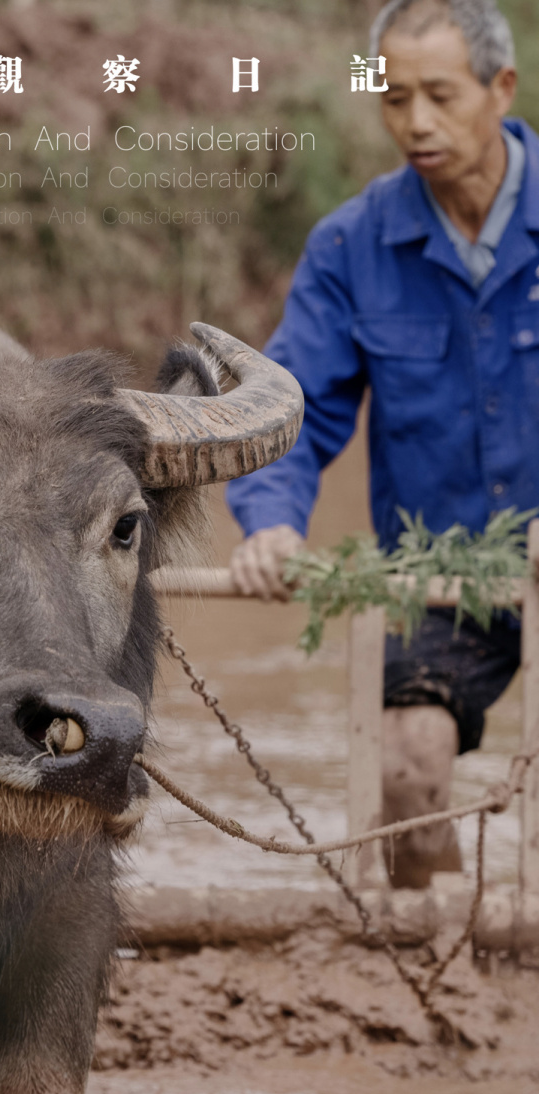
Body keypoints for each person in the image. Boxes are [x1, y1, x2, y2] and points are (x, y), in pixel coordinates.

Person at [225, 0, 533, 888]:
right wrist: (272, 523)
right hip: (442, 577)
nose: (417, 123)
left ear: (500, 87)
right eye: (395, 99)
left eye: (440, 95)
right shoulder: (351, 247)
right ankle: (432, 967)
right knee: (403, 771)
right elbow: (295, 410)